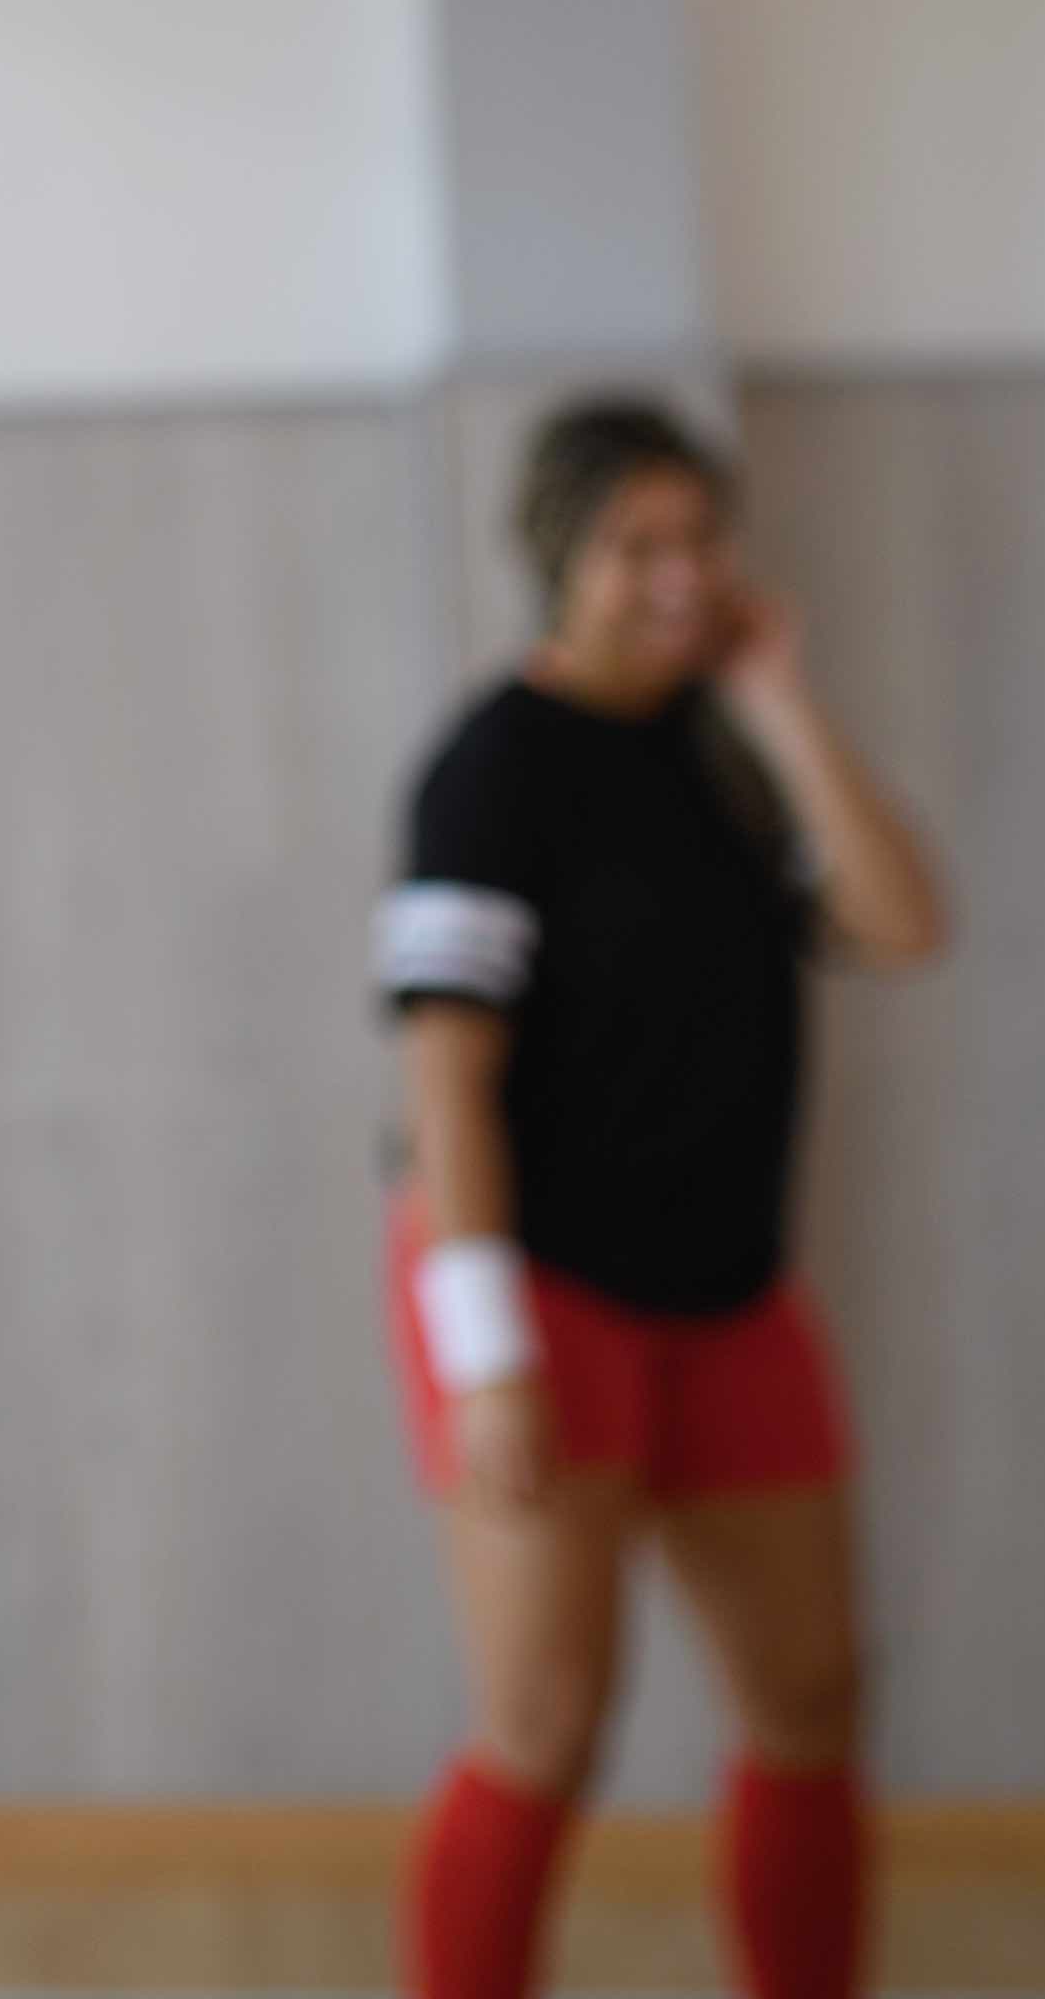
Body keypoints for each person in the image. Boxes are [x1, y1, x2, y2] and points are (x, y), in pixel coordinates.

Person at [371, 396, 951, 1999]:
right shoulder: (493, 770)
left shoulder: (729, 753)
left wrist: (783, 705)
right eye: (638, 547)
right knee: (549, 1725)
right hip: (538, 1290)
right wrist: (484, 1352)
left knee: (814, 1699)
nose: (681, 577)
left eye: (702, 540)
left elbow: (904, 926)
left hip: (731, 1295)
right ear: (560, 560)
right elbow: (445, 1085)